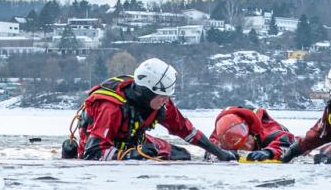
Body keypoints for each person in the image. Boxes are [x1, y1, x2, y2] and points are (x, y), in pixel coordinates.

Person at [64, 58, 236, 161]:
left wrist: (218, 152)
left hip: (135, 143)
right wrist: (131, 155)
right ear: (145, 92)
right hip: (106, 149)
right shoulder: (111, 108)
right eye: (162, 97)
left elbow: (186, 129)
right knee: (150, 156)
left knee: (181, 155)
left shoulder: (160, 101)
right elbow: (93, 153)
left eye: (167, 96)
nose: (166, 101)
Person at [211, 104, 298, 162]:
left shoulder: (267, 129)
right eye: (240, 147)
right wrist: (223, 154)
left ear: (251, 133)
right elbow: (210, 149)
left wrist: (269, 152)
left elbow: (287, 139)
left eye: (246, 140)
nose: (246, 148)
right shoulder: (221, 132)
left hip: (273, 136)